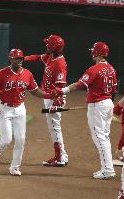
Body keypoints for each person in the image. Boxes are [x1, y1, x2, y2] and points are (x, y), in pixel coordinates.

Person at [51, 42, 117, 179]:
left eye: (93, 51)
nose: (91, 53)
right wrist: (108, 104)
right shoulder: (111, 69)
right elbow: (114, 91)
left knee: (99, 138)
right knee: (104, 137)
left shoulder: (94, 69)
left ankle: (108, 170)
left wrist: (62, 91)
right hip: (108, 103)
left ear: (97, 53)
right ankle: (107, 168)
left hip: (98, 106)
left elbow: (79, 85)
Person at [0, 49, 49, 176]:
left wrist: (49, 95)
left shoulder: (27, 74)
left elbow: (35, 91)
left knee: (21, 139)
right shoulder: (1, 73)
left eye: (21, 58)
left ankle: (15, 167)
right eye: (16, 58)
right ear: (10, 59)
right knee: (6, 139)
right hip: (4, 108)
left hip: (20, 108)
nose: (19, 61)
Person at [24, 35, 68, 167]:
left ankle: (59, 157)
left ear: (53, 47)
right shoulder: (50, 57)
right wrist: (24, 58)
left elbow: (61, 87)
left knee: (55, 128)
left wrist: (56, 103)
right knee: (54, 127)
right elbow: (38, 57)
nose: (46, 46)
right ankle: (62, 155)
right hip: (49, 97)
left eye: (48, 44)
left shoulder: (60, 63)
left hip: (55, 99)